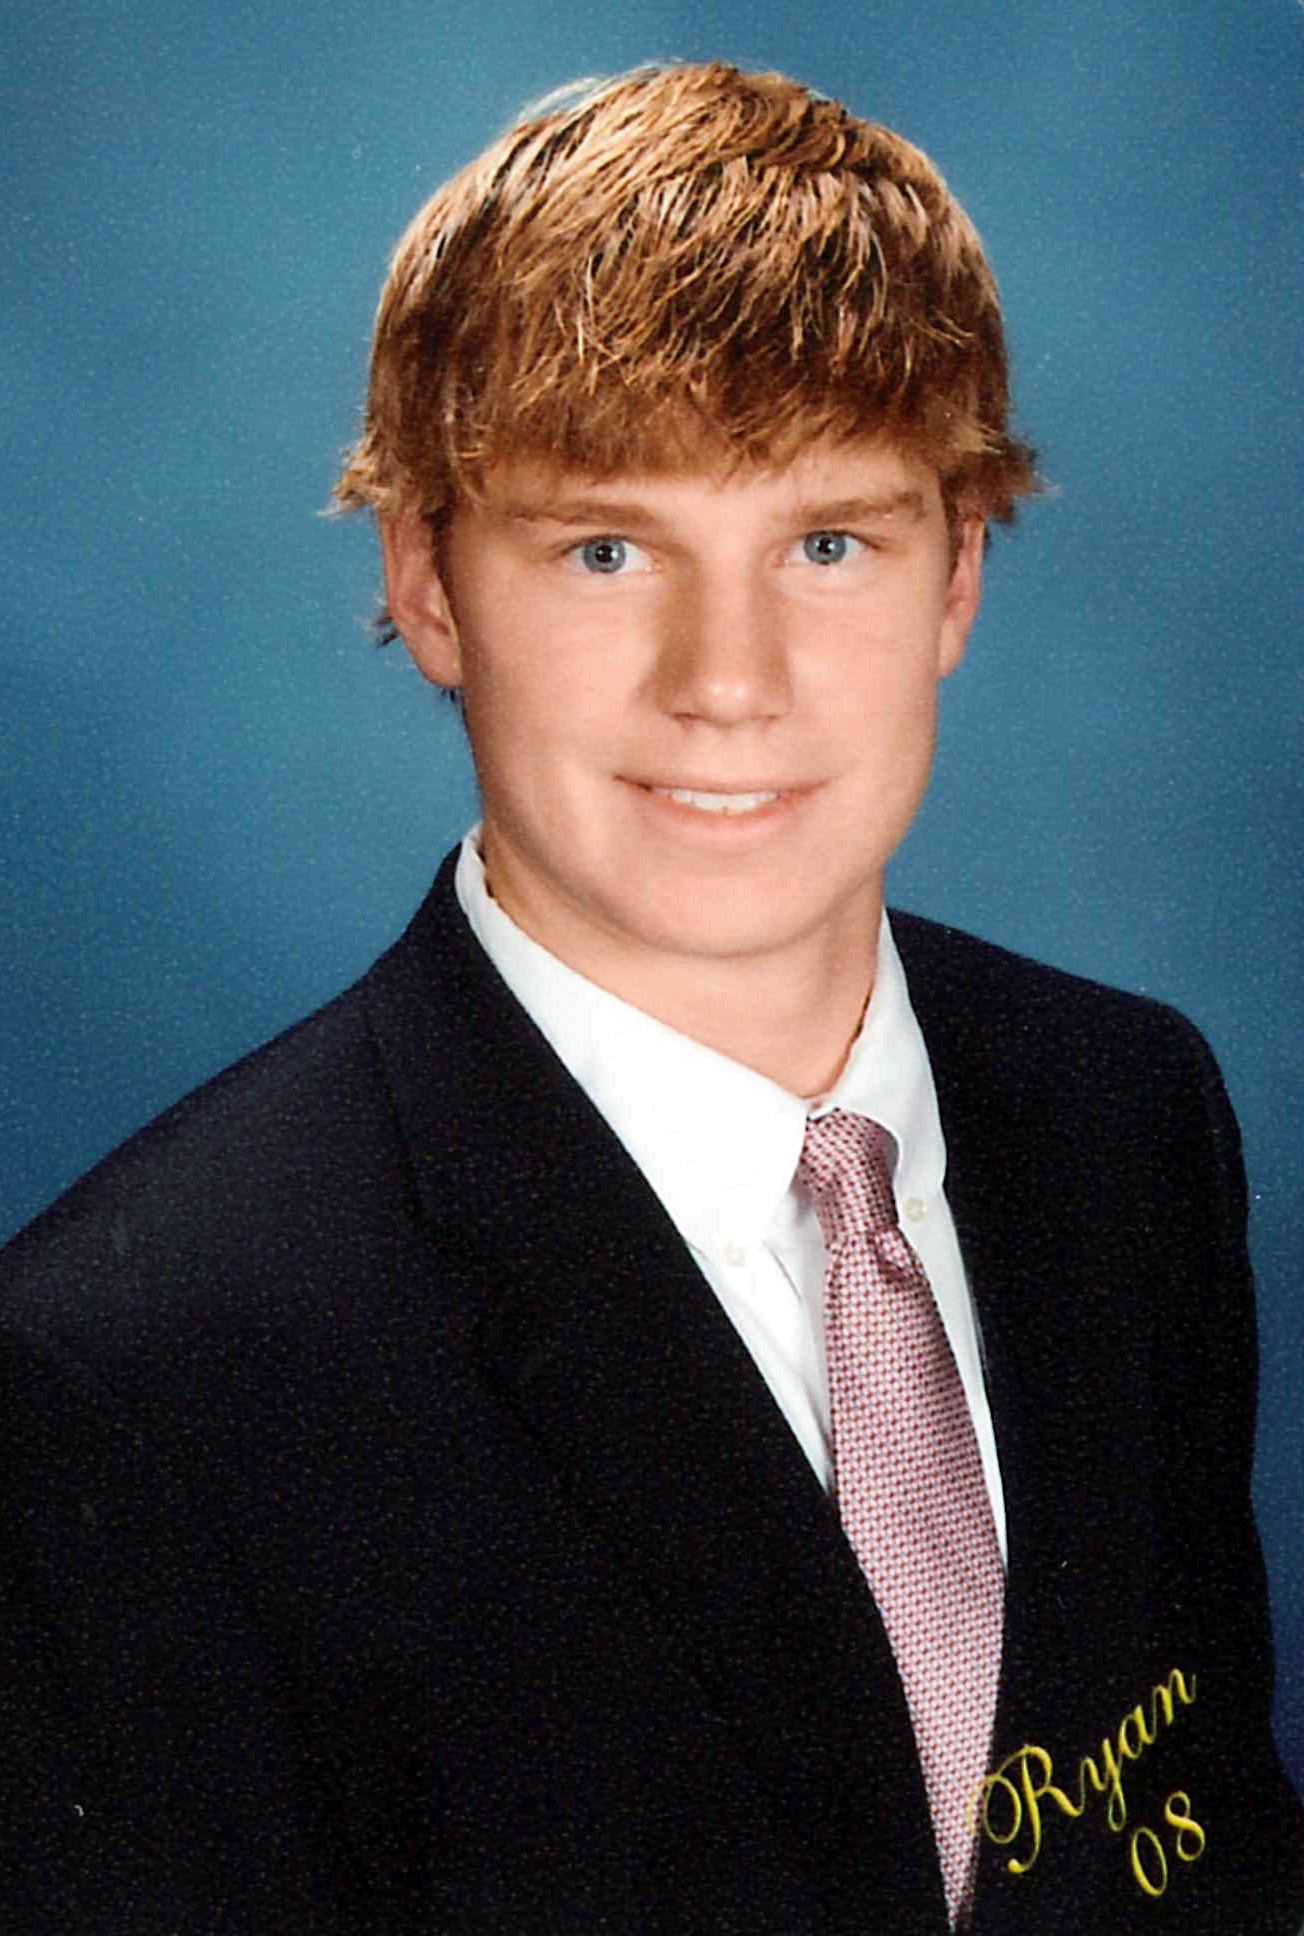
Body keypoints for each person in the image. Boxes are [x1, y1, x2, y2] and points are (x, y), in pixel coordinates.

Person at [1, 59, 1299, 1936]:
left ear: (958, 576)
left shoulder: (1122, 1110)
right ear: (428, 586)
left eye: (829, 545)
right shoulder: (131, 1374)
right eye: (606, 550)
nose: (730, 682)